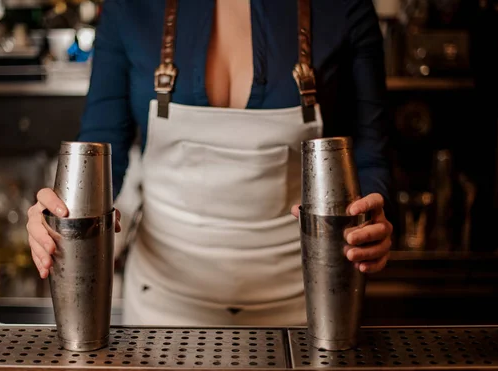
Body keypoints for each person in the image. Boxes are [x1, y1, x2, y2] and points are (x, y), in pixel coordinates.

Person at [27, 0, 394, 326]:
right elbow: (100, 146)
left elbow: (370, 155)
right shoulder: (129, 7)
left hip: (309, 306)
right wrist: (56, 216)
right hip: (163, 307)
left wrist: (372, 217)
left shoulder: (345, 7)